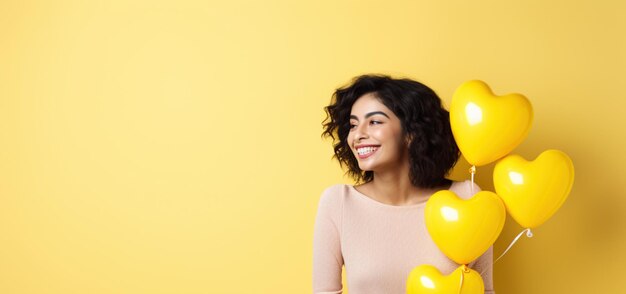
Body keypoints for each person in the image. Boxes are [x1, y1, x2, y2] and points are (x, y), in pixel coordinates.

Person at [312, 75, 494, 294]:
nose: (357, 135)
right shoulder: (338, 203)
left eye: (375, 122)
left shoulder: (467, 197)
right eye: (353, 125)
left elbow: (485, 291)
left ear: (411, 133)